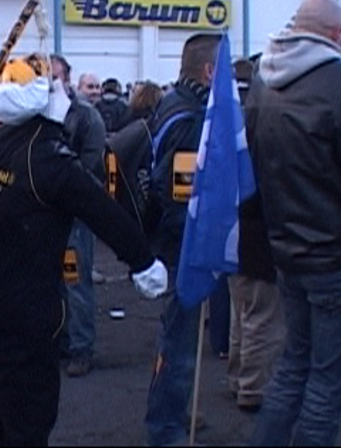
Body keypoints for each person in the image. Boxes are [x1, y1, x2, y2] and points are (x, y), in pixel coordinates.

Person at [0, 53, 167, 446]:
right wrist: (142, 260)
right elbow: (101, 209)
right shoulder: (45, 155)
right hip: (25, 309)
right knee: (26, 423)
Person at [247, 0, 341, 446]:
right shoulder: (340, 83)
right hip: (337, 256)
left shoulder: (263, 80)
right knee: (328, 384)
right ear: (336, 35)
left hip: (288, 249)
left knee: (294, 366)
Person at [143, 33, 222, 447]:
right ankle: (166, 425)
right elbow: (178, 193)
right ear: (209, 71)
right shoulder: (191, 119)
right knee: (178, 341)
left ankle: (173, 413)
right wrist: (195, 244)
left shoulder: (174, 102)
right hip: (183, 246)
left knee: (177, 337)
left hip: (173, 240)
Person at [225, 56, 285, 413]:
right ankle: (253, 387)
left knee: (243, 312)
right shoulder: (269, 127)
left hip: (235, 229)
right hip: (260, 231)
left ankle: (239, 377)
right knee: (262, 315)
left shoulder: (231, 122)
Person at [48, 54, 107, 377]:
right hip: (44, 210)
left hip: (75, 211)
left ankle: (81, 347)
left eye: (54, 78)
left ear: (67, 79)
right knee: (50, 281)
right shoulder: (36, 113)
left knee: (75, 281)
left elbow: (91, 165)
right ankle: (61, 339)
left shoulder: (86, 117)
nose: (48, 84)